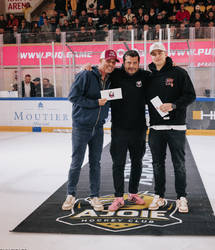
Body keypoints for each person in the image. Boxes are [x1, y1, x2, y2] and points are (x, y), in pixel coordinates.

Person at [61, 49, 118, 211]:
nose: (111, 65)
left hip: (98, 128)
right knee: (77, 162)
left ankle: (95, 196)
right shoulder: (85, 75)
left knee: (95, 163)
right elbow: (73, 97)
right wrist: (95, 103)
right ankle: (70, 194)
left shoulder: (110, 78)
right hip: (81, 127)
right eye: (108, 61)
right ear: (100, 60)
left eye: (114, 62)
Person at [146, 42, 196, 213]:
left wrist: (174, 105)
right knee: (157, 164)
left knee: (179, 164)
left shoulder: (179, 73)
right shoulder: (148, 76)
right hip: (155, 129)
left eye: (160, 52)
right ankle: (159, 196)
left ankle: (181, 197)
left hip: (176, 128)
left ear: (166, 54)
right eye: (153, 53)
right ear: (150, 56)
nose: (157, 56)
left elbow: (191, 95)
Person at [107, 50, 150, 211]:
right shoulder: (115, 75)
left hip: (139, 129)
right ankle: (118, 197)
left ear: (139, 63)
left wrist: (171, 64)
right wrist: (87, 67)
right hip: (119, 129)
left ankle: (133, 193)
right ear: (123, 62)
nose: (131, 66)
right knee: (118, 163)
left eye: (134, 63)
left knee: (137, 163)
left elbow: (160, 75)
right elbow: (101, 71)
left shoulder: (145, 76)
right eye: (128, 62)